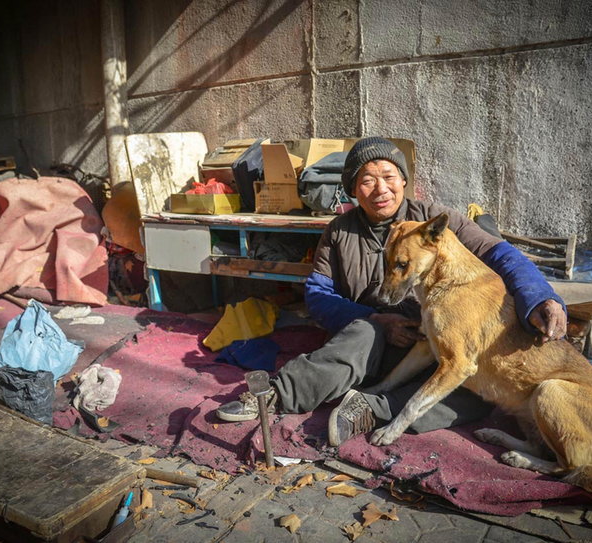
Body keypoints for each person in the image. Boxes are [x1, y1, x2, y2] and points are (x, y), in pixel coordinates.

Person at [215, 137, 567, 446]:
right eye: (367, 180)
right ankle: (274, 395)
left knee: (476, 388)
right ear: (354, 189)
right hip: (368, 344)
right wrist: (377, 320)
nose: (380, 189)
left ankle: (372, 410)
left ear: (403, 181)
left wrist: (539, 296)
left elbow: (500, 253)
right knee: (361, 335)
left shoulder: (436, 221)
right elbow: (317, 295)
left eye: (388, 177)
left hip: (428, 345)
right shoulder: (339, 232)